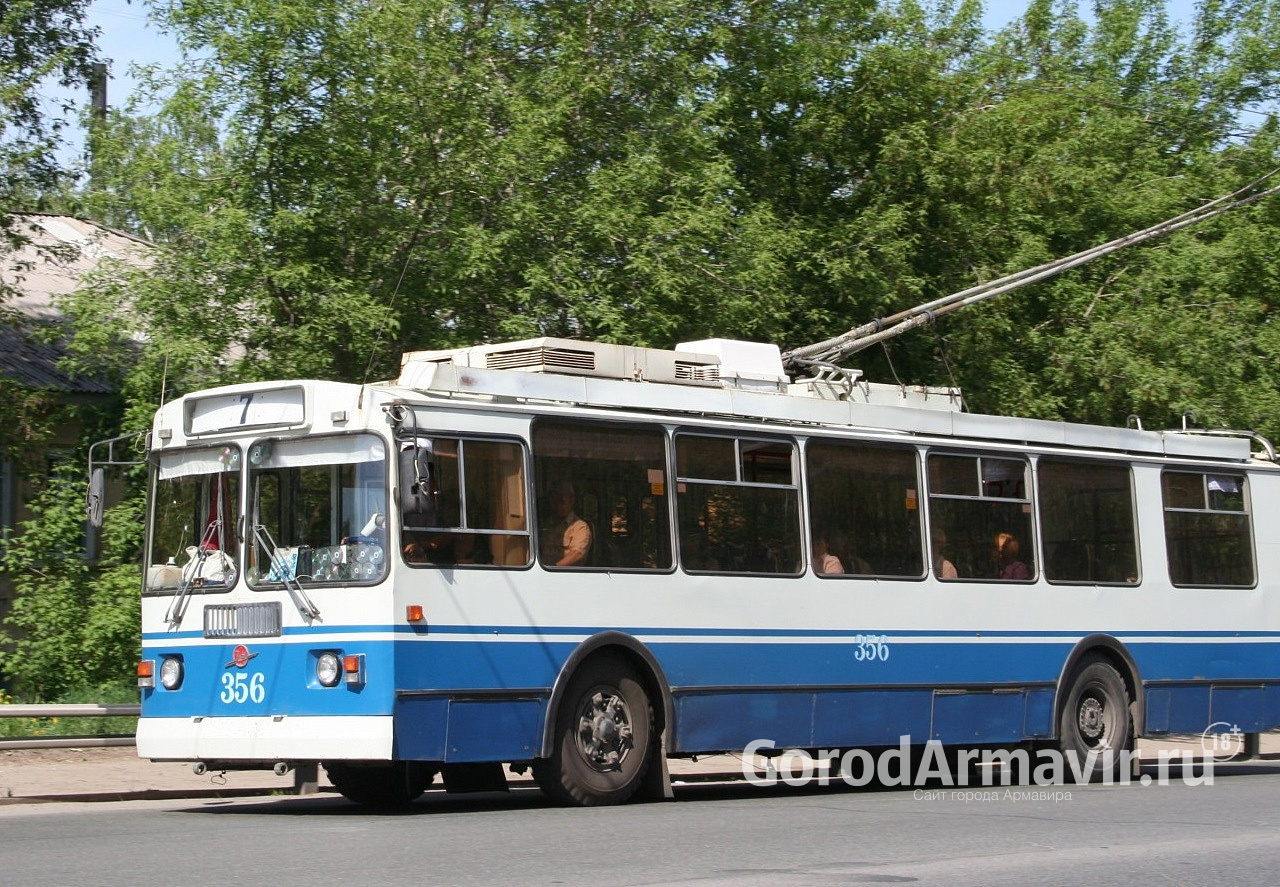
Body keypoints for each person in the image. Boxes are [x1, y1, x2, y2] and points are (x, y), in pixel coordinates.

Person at [541, 483, 592, 567]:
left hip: (566, 575)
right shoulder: (548, 524)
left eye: (562, 501)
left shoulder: (580, 527)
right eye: (555, 501)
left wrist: (554, 568)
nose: (557, 505)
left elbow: (577, 554)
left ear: (572, 500)